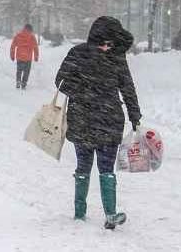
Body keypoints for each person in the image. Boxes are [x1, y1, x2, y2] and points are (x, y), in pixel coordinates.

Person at [55, 16, 141, 230]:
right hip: (87, 117)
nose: (107, 46)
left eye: (111, 43)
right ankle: (79, 212)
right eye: (106, 41)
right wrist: (86, 92)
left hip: (107, 120)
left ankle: (110, 214)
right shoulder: (79, 53)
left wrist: (135, 115)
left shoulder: (116, 58)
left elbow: (128, 88)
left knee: (106, 167)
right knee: (84, 166)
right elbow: (61, 81)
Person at [10, 24, 40, 90]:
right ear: (30, 29)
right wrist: (36, 56)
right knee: (26, 72)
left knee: (19, 70)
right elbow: (35, 47)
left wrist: (12, 55)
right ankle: (23, 83)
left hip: (20, 57)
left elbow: (13, 46)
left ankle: (18, 81)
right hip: (28, 58)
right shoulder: (32, 37)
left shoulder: (18, 35)